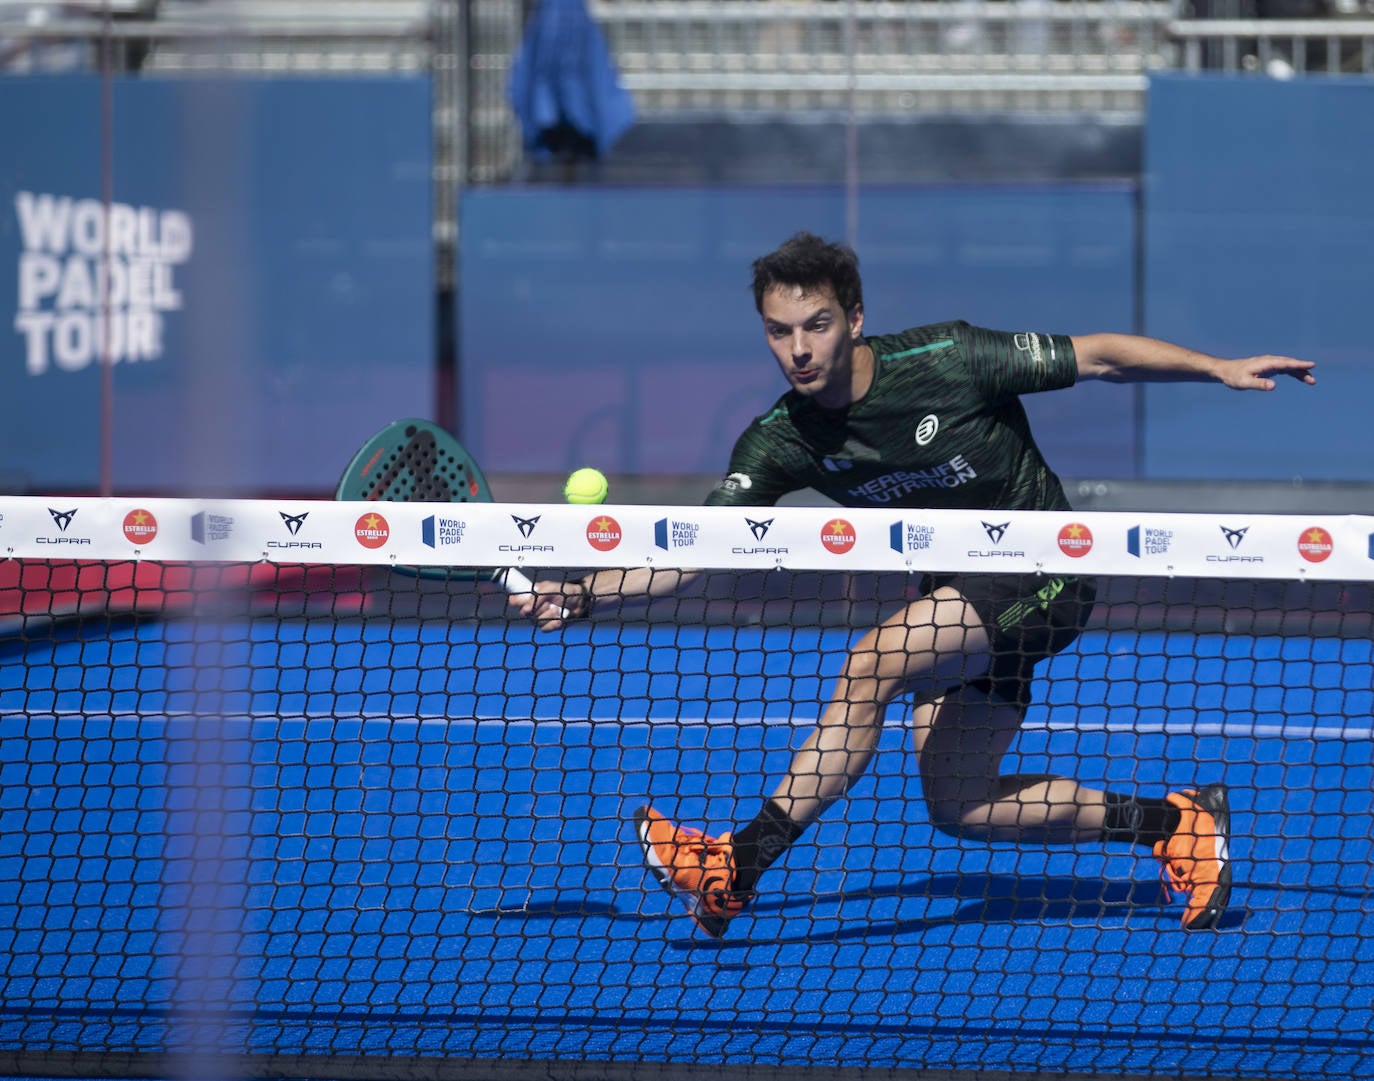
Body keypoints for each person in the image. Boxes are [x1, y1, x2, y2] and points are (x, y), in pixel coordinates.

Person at [510, 231, 1317, 938]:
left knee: (871, 663)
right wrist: (581, 592)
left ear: (854, 318)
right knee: (959, 803)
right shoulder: (782, 438)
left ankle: (737, 863)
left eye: (816, 325)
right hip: (959, 591)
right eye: (779, 331)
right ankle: (1176, 823)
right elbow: (703, 546)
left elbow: (1099, 355)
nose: (799, 348)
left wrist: (1217, 367)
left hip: (1047, 571)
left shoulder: (949, 360)